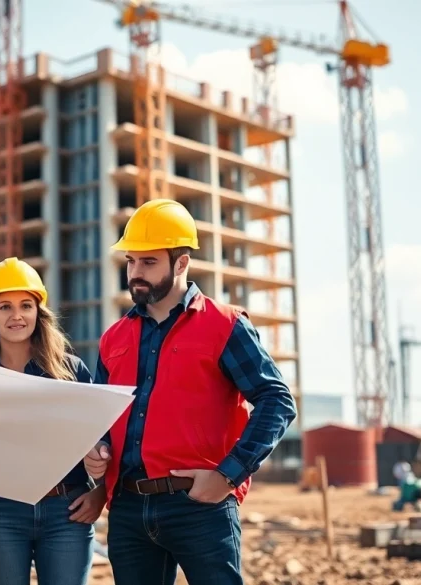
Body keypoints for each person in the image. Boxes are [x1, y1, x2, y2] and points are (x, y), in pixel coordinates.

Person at [82, 199, 298, 585]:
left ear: (181, 263)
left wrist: (227, 476)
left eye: (149, 262)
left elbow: (277, 401)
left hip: (199, 508)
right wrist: (98, 450)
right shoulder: (114, 337)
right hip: (128, 510)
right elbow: (101, 417)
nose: (135, 273)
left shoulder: (225, 325)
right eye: (131, 261)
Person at [0, 257, 106, 585]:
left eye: (26, 306)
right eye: (5, 307)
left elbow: (104, 438)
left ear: (38, 313)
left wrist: (100, 492)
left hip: (66, 511)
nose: (16, 315)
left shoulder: (70, 371)